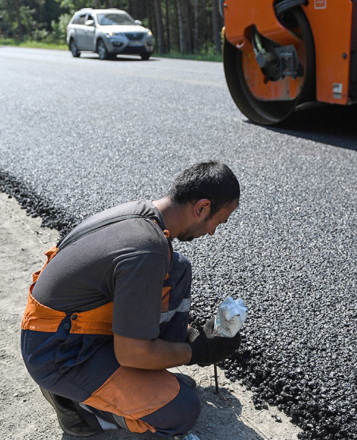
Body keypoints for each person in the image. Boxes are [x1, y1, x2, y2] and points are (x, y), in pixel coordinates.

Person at [21, 161, 243, 437]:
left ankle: (139, 378)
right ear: (202, 208)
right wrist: (198, 352)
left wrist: (191, 337)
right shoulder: (147, 251)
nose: (212, 232)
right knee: (182, 411)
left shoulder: (142, 213)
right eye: (218, 222)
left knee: (177, 269)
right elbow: (131, 353)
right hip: (59, 353)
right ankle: (77, 405)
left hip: (70, 325)